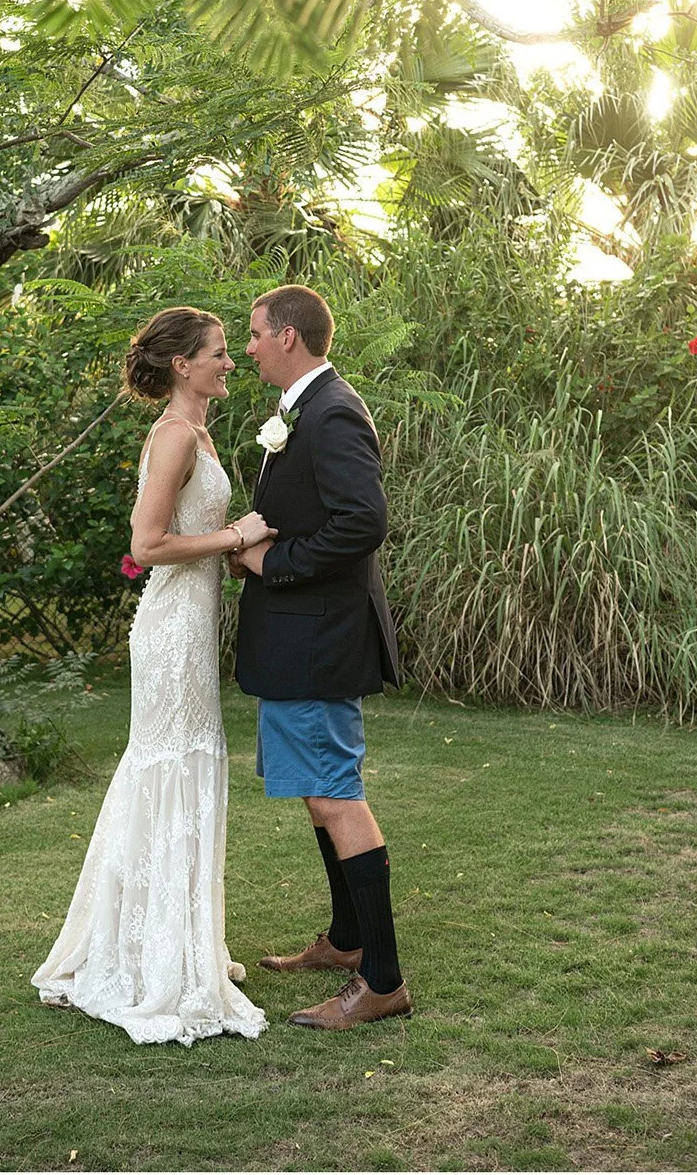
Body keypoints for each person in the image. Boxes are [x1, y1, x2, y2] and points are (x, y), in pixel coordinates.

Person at [33, 307, 271, 1045]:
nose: (231, 363)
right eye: (220, 353)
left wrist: (229, 550)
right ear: (182, 365)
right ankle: (147, 957)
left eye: (233, 352)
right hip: (169, 632)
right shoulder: (173, 436)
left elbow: (185, 538)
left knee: (186, 770)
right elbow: (147, 541)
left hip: (191, 626)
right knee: (169, 769)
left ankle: (178, 940)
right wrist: (236, 535)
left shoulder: (200, 433)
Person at [232, 284, 410, 1029]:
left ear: (288, 338)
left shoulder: (332, 411)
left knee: (336, 793)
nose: (247, 348)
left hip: (319, 635)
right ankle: (345, 940)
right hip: (301, 637)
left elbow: (364, 522)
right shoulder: (303, 410)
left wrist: (276, 565)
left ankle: (382, 981)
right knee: (317, 790)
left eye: (254, 334)